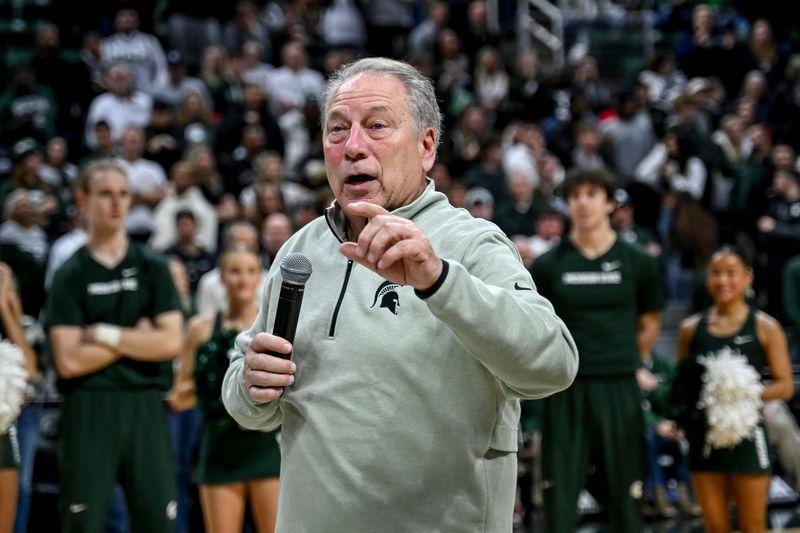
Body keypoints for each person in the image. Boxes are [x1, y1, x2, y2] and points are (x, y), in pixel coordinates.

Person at [221, 57, 578, 532]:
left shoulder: (472, 243)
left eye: (376, 126)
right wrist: (250, 386)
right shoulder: (300, 250)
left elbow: (554, 364)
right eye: (337, 130)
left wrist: (440, 281)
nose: (352, 147)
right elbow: (245, 394)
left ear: (426, 146)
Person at [45, 160, 183, 532]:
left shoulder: (153, 266)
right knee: (82, 524)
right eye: (105, 194)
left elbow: (170, 341)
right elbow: (69, 360)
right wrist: (139, 337)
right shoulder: (70, 274)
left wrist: (103, 334)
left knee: (158, 522)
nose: (117, 203)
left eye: (123, 194)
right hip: (87, 406)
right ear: (83, 200)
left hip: (145, 404)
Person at [530, 168, 665, 533]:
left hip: (619, 386)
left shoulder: (638, 261)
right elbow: (537, 324)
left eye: (592, 194)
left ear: (609, 203)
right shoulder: (548, 265)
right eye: (575, 196)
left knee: (626, 499)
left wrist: (628, 358)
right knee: (559, 503)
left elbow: (650, 320)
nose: (583, 202)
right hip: (565, 389)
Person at [673, 246, 794, 533]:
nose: (723, 280)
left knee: (753, 526)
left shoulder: (766, 327)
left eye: (731, 272)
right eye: (716, 272)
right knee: (715, 527)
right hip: (705, 439)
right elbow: (682, 385)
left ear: (747, 277)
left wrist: (737, 392)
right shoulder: (690, 329)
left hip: (749, 437)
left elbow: (785, 386)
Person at [171, 246, 280, 533]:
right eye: (235, 271)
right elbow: (179, 394)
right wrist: (214, 390)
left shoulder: (274, 325)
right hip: (219, 448)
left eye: (251, 271)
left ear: (260, 277)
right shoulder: (201, 329)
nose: (243, 279)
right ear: (221, 276)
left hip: (267, 446)